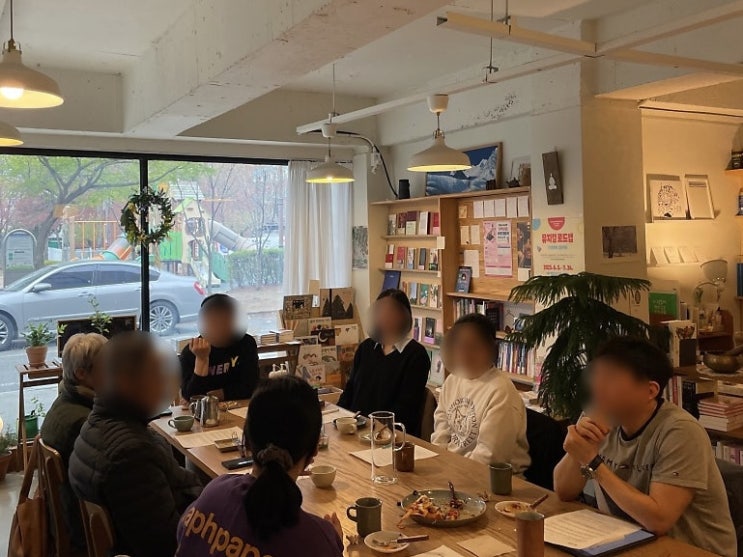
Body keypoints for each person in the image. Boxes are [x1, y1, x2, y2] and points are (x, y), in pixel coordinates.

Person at [553, 337, 736, 557]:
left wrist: (593, 462)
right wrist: (577, 452)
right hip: (626, 540)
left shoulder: (680, 431)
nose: (597, 385)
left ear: (650, 391)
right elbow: (564, 491)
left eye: (611, 377)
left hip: (691, 550)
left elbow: (658, 520)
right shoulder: (598, 414)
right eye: (596, 374)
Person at [175, 376, 343, 557]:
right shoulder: (316, 541)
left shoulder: (214, 491)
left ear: (246, 440)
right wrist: (333, 544)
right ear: (315, 448)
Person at [69, 331, 203, 557]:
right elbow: (168, 544)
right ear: (124, 381)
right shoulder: (130, 455)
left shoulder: (95, 424)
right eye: (156, 375)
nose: (165, 384)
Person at [431, 314, 530, 471]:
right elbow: (441, 430)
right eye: (459, 346)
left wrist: (452, 470)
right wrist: (439, 461)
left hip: (495, 478)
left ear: (491, 349)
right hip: (452, 468)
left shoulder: (501, 391)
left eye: (474, 347)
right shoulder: (453, 379)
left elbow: (489, 457)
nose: (465, 354)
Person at [40, 333, 107, 551]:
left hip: (65, 514)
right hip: (83, 526)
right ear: (81, 374)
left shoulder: (64, 402)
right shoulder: (84, 422)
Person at [338, 289, 430, 436]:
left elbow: (406, 407)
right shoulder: (366, 348)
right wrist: (339, 418)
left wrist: (375, 430)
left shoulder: (416, 355)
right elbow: (350, 390)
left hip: (389, 435)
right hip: (354, 428)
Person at [180, 293, 259, 401]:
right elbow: (191, 396)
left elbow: (251, 385)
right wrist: (201, 359)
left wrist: (221, 394)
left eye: (226, 321)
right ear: (204, 323)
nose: (220, 328)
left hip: (239, 406)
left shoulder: (246, 343)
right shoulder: (192, 351)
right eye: (214, 322)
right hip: (205, 410)